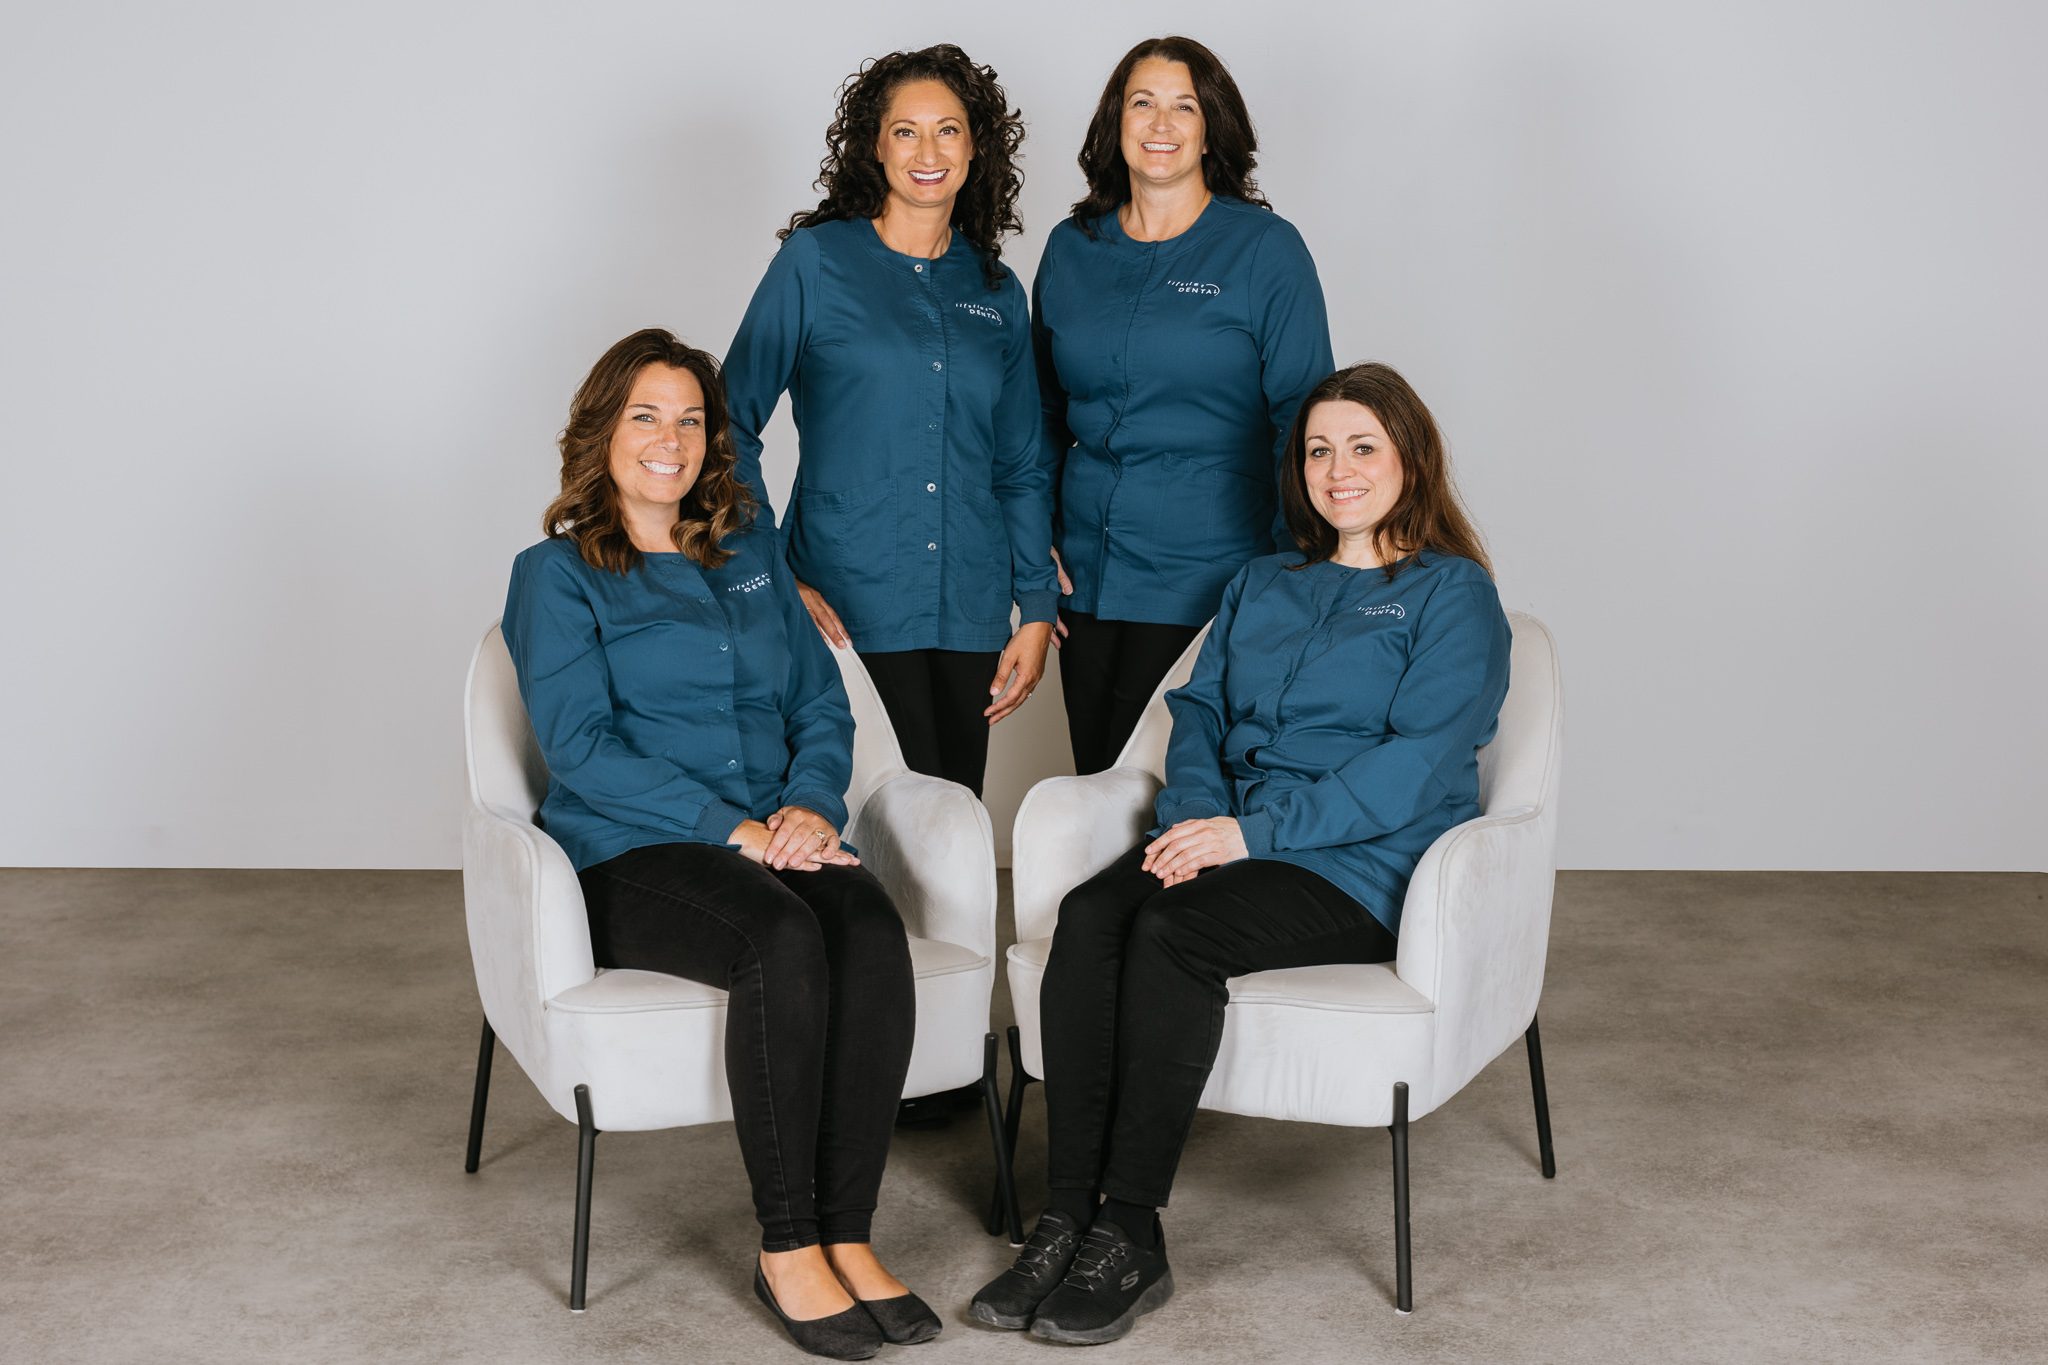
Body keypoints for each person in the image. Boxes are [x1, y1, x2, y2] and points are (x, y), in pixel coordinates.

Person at [971, 363, 1512, 1344]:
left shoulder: (1453, 594)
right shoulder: (1261, 580)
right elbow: (1200, 714)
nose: (1337, 471)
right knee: (1089, 918)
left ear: (1410, 460)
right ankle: (1065, 1215)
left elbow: (1415, 763)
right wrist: (1199, 822)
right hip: (1231, 836)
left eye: (1362, 448)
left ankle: (1131, 1231)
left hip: (1361, 864)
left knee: (1173, 933)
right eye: (1318, 451)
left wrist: (1249, 837)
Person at [502, 329, 936, 1361]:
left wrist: (810, 806)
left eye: (691, 419)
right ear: (601, 431)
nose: (672, 439)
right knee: (777, 939)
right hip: (633, 851)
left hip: (770, 832)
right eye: (646, 416)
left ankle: (847, 1231)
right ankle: (787, 1246)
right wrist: (732, 830)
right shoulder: (554, 575)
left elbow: (818, 702)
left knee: (869, 925)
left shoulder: (751, 555)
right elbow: (581, 750)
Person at [724, 44, 1057, 798]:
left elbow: (1019, 464)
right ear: (875, 145)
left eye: (948, 130)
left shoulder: (997, 290)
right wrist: (768, 568)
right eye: (906, 131)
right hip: (847, 600)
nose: (927, 152)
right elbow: (727, 425)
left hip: (971, 607)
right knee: (868, 823)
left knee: (953, 822)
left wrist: (1037, 609)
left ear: (976, 147)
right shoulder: (815, 262)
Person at [1032, 35, 1335, 775]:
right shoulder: (1070, 248)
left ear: (1210, 129)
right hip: (1084, 587)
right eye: (1143, 103)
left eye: (1184, 106)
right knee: (1098, 788)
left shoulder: (1266, 251)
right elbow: (1037, 415)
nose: (1161, 123)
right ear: (1116, 121)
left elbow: (1304, 424)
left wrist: (1290, 581)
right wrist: (1030, 542)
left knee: (1177, 798)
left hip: (1212, 583)